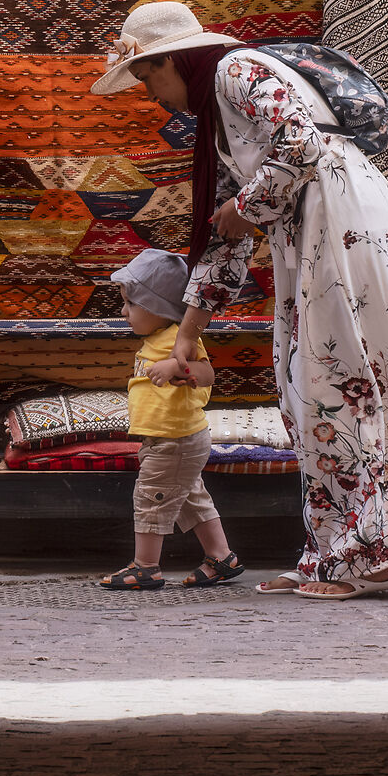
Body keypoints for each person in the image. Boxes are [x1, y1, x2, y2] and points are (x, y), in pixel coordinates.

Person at [92, 1, 388, 599]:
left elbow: (299, 143)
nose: (151, 94)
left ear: (178, 60)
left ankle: (351, 556)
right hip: (315, 230)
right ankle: (353, 550)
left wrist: (243, 210)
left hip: (338, 220)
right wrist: (188, 335)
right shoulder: (219, 124)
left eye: (149, 77)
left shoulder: (234, 71)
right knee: (312, 386)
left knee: (329, 379)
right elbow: (222, 242)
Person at [97, 248, 248, 591]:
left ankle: (146, 566)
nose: (124, 312)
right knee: (191, 499)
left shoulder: (179, 338)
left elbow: (207, 374)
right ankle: (222, 556)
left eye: (130, 304)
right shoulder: (157, 337)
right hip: (171, 439)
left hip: (175, 440)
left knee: (151, 497)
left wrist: (176, 366)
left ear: (157, 306)